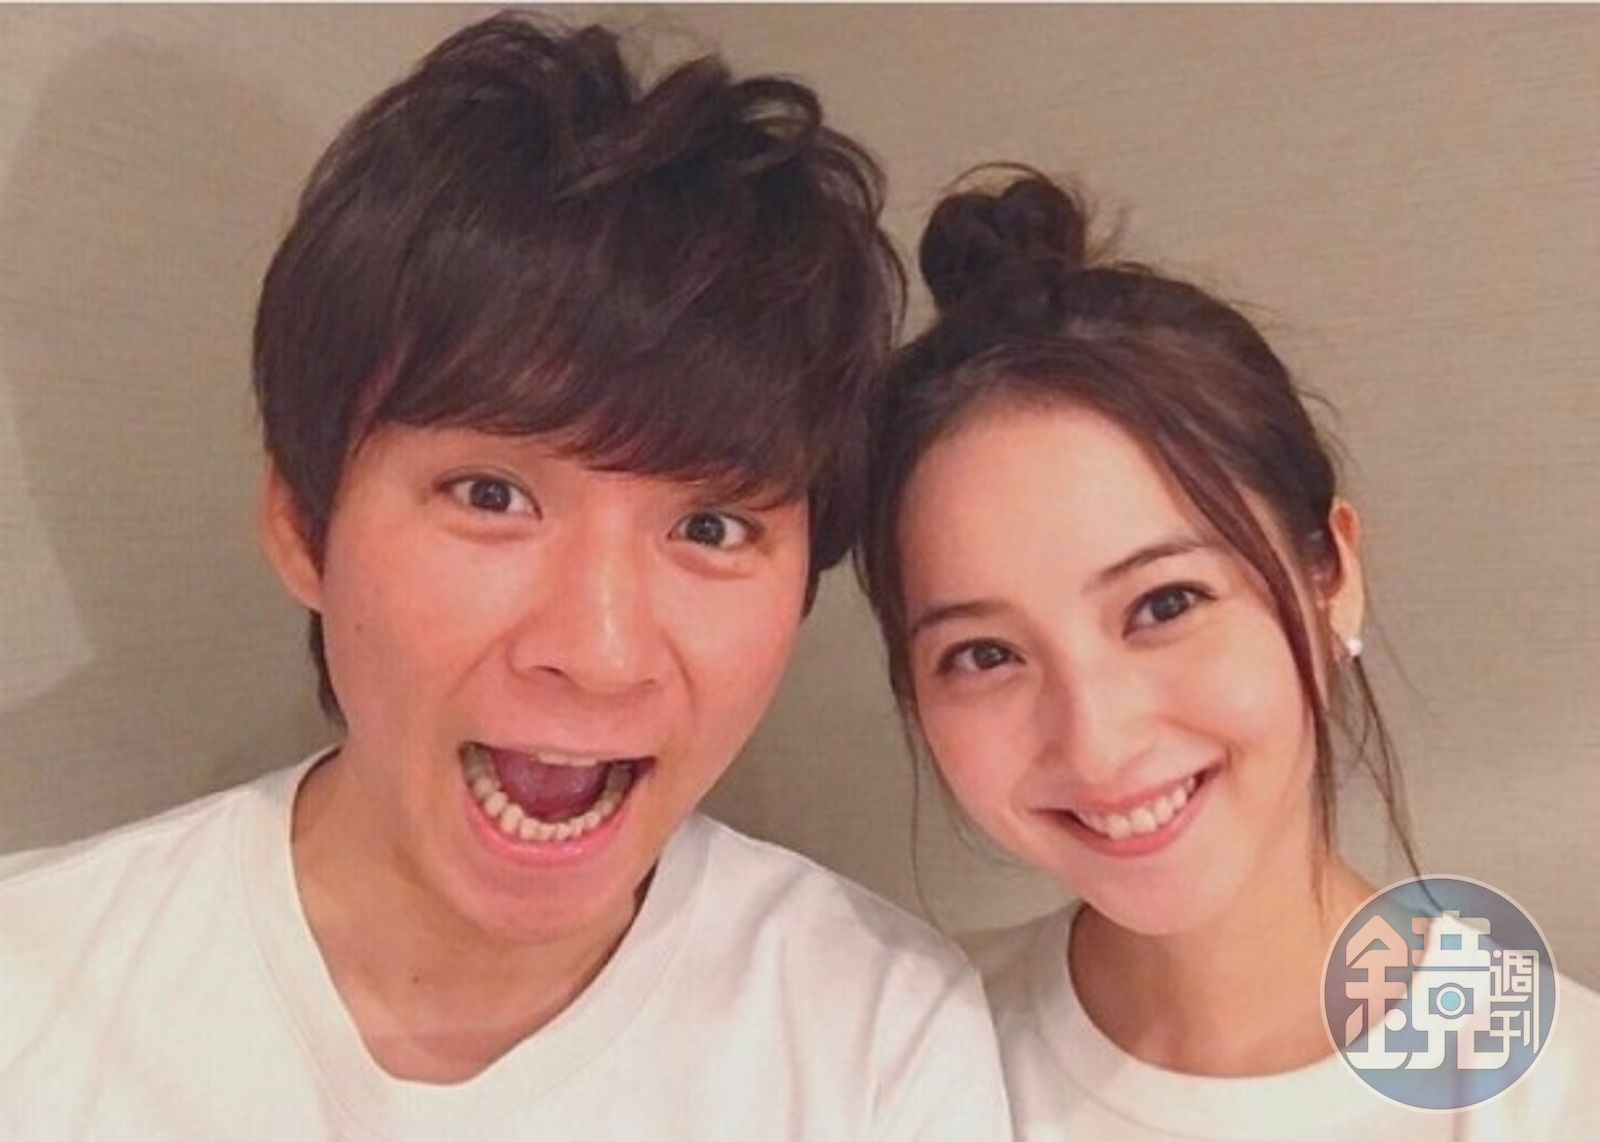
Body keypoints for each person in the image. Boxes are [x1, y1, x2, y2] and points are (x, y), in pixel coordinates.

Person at [0, 16, 1010, 1139]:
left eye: (711, 526)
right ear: (302, 525)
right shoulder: (30, 997)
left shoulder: (875, 1042)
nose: (601, 651)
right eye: (491, 496)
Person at [856, 168, 1600, 1138]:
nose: (1098, 742)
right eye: (986, 654)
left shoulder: (1562, 1095)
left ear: (1332, 574)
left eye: (1164, 603)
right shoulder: (882, 1067)